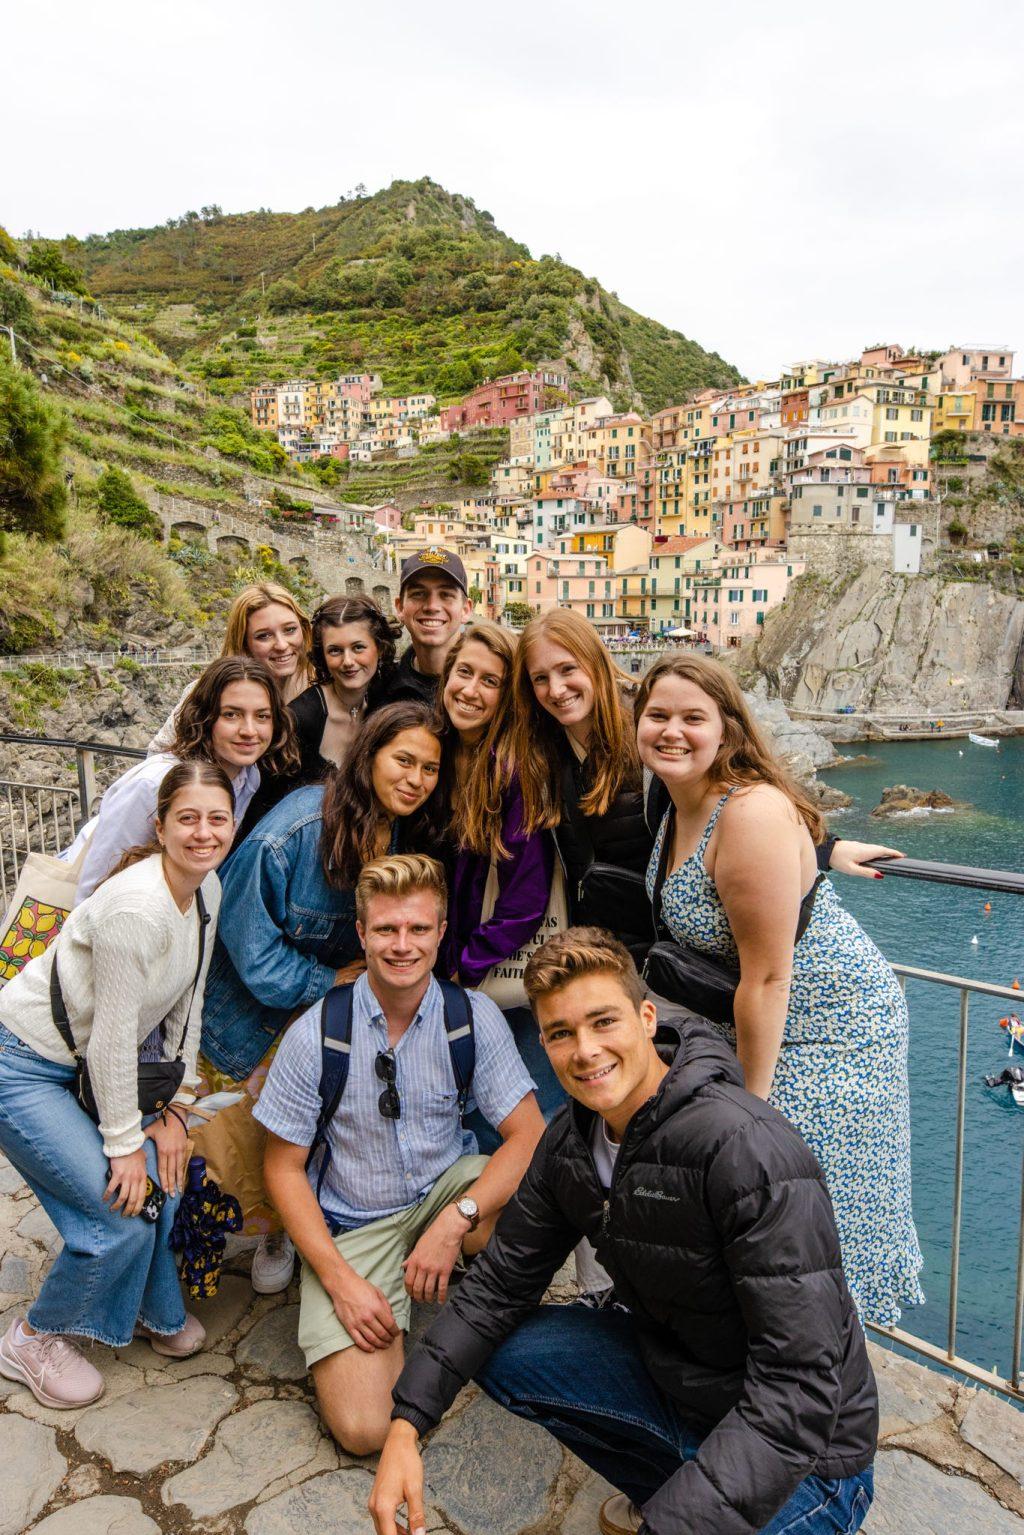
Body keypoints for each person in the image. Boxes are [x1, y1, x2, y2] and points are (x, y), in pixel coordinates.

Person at [369, 929, 878, 1535]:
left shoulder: (747, 1150)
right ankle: (671, 1486)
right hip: (687, 1380)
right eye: (560, 1033)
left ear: (645, 1017)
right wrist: (405, 1427)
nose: (584, 1051)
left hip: (811, 1457)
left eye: (603, 1022)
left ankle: (699, 1506)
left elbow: (798, 1385)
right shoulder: (572, 1142)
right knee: (506, 1350)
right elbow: (499, 1287)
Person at [634, 652, 923, 1323]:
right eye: (657, 716)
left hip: (832, 1028)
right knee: (766, 1216)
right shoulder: (676, 802)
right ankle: (781, 1362)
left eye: (692, 717)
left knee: (801, 1208)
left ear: (728, 730)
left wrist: (751, 1115)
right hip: (768, 1020)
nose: (672, 730)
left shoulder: (749, 812)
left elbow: (767, 975)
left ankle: (822, 1372)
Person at [255, 853, 545, 1454]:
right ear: (362, 934)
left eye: (418, 929)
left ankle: (484, 1298)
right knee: (364, 1430)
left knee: (526, 1199)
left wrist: (454, 1221)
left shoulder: (471, 1016)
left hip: (446, 1191)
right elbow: (281, 1169)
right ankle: (387, 1293)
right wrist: (340, 1282)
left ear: (441, 934)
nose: (402, 945)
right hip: (358, 1221)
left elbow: (529, 1134)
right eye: (386, 929)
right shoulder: (316, 1034)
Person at [0, 761, 233, 1408]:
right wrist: (124, 1143)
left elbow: (188, 1007)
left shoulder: (206, 890)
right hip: (20, 1063)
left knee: (166, 1165)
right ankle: (32, 1335)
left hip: (80, 1065)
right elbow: (110, 1037)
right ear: (160, 826)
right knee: (120, 1215)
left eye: (217, 817)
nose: (203, 831)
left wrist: (176, 1109)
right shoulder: (138, 907)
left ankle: (151, 1310)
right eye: (187, 818)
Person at [200, 702, 447, 1297]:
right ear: (368, 757)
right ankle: (218, 1254)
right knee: (235, 1152)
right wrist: (331, 983)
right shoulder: (299, 829)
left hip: (324, 1019)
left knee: (314, 1133)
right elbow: (249, 951)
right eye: (404, 761)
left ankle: (291, 1228)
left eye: (431, 768)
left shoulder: (399, 828)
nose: (416, 779)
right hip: (254, 1021)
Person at [512, 610, 903, 958]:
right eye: (540, 678)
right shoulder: (542, 747)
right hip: (600, 945)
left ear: (595, 663)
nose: (556, 689)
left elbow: (731, 787)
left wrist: (824, 846)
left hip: (662, 948)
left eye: (567, 670)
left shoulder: (652, 732)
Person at [434, 622, 562, 1131]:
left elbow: (525, 899)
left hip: (491, 968)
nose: (470, 690)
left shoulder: (511, 768)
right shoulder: (440, 751)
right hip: (457, 960)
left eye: (490, 682)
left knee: (516, 1117)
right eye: (464, 672)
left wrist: (465, 967)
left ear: (506, 697)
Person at [76, 656, 298, 904]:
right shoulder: (153, 784)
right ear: (206, 717)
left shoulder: (248, 776)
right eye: (231, 714)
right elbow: (95, 887)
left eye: (262, 716)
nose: (249, 730)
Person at [147, 582, 314, 754]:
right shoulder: (209, 691)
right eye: (263, 636)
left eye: (290, 630)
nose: (281, 645)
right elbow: (158, 753)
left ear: (304, 629)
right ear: (244, 643)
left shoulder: (321, 687)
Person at [290, 594, 401, 779]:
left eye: (358, 647)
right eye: (335, 651)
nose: (348, 661)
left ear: (379, 649)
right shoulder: (301, 718)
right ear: (323, 657)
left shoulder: (383, 701)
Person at [373, 547, 472, 709]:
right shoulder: (378, 688)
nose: (432, 606)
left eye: (446, 595)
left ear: (466, 610)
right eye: (418, 593)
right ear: (399, 607)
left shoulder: (493, 688)